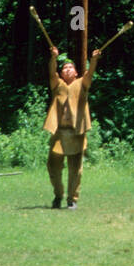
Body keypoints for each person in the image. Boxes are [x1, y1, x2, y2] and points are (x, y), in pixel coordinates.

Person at [43, 45, 101, 209]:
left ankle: (72, 200)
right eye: (65, 68)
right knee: (53, 167)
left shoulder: (81, 83)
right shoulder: (58, 84)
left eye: (70, 67)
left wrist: (94, 61)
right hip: (59, 133)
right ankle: (58, 195)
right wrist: (54, 58)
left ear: (76, 73)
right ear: (62, 73)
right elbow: (51, 73)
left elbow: (90, 74)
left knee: (75, 169)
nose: (67, 69)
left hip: (76, 132)